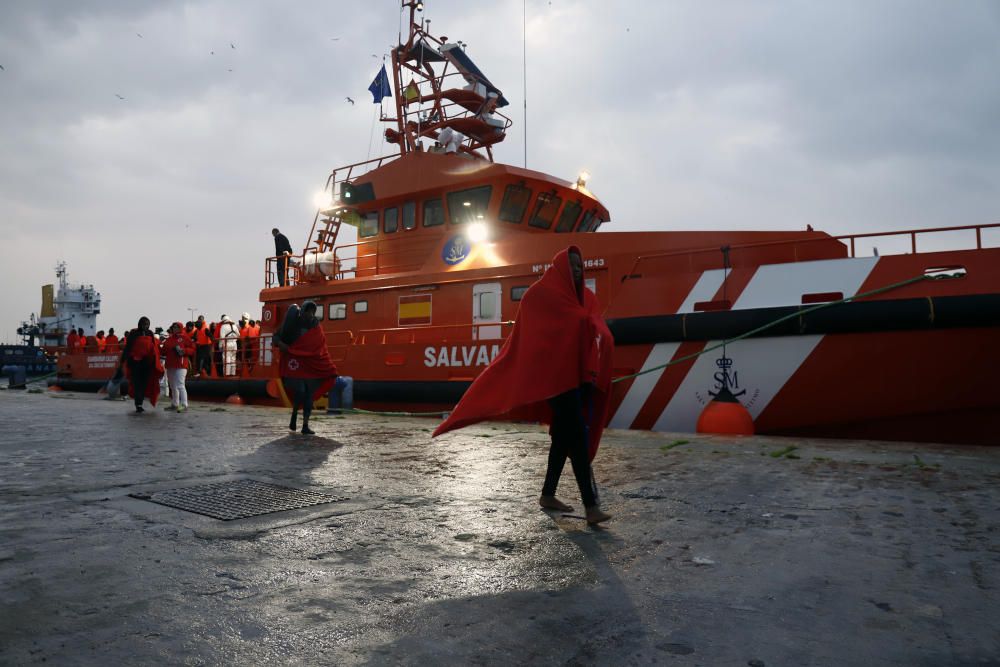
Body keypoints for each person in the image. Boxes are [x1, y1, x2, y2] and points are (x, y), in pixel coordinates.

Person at [433, 246, 614, 525]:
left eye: (581, 266)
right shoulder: (538, 296)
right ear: (562, 268)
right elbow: (531, 341)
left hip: (576, 378)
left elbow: (595, 328)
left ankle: (548, 495)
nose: (578, 271)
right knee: (577, 435)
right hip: (552, 380)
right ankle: (591, 506)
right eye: (573, 266)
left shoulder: (585, 299)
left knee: (563, 438)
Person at [274, 301, 338, 435]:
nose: (310, 314)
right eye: (308, 311)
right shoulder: (292, 323)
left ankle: (305, 425)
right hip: (296, 363)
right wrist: (281, 344)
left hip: (311, 363)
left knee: (309, 394)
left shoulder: (315, 325)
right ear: (303, 311)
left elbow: (320, 343)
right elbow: (276, 336)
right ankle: (295, 413)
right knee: (301, 391)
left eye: (312, 311)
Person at [119, 316, 164, 414]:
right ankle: (138, 404)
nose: (145, 326)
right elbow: (128, 347)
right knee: (137, 384)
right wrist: (123, 359)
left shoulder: (150, 333)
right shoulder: (134, 333)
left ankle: (139, 402)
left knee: (144, 383)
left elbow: (154, 348)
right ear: (140, 324)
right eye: (144, 324)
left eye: (147, 324)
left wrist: (155, 360)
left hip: (147, 363)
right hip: (135, 363)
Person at [161, 322, 195, 412]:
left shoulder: (185, 338)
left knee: (180, 385)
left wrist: (184, 351)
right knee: (172, 385)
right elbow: (163, 351)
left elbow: (193, 349)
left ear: (180, 328)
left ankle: (184, 404)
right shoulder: (169, 339)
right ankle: (175, 404)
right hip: (170, 364)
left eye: (177, 327)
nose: (175, 328)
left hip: (181, 365)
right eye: (174, 327)